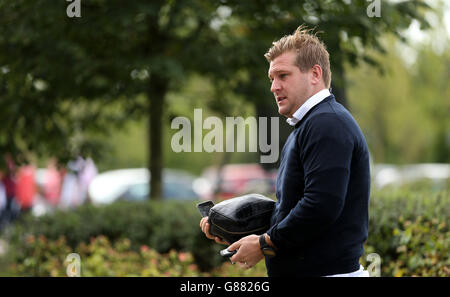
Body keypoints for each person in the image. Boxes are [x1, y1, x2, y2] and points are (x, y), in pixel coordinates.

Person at [200, 25, 371, 277]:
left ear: (315, 74)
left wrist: (264, 243)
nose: (274, 87)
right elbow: (306, 206)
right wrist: (245, 231)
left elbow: (320, 206)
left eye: (283, 76)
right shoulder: (311, 124)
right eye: (272, 79)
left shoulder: (327, 124)